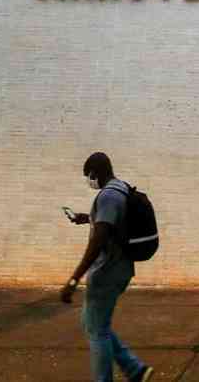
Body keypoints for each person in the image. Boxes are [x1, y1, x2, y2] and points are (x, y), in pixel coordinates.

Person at [60, 152, 154, 382]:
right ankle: (135, 369)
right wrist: (87, 218)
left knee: (97, 330)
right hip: (119, 268)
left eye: (88, 176)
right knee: (93, 324)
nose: (88, 180)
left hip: (107, 271)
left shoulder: (108, 196)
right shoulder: (121, 188)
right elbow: (110, 224)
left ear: (96, 172)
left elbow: (99, 240)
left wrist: (74, 279)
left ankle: (113, 376)